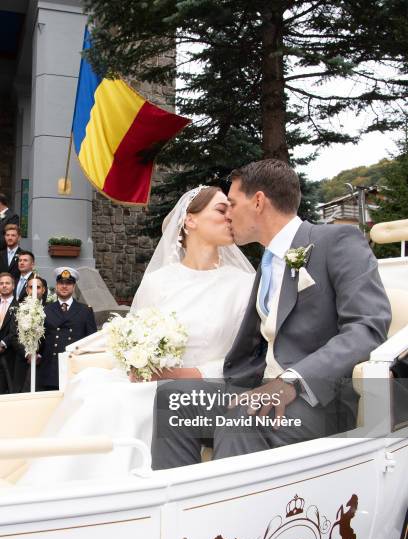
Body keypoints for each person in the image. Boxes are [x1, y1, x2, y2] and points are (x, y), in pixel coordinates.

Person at [151, 158, 392, 469]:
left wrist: (291, 381)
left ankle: (224, 515)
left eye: (233, 204)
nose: (229, 215)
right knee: (175, 400)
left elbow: (367, 327)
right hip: (257, 389)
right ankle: (180, 505)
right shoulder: (266, 263)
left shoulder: (336, 242)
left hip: (316, 401)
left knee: (243, 416)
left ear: (259, 202)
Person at [19, 186, 255, 484]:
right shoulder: (159, 281)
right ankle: (61, 494)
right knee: (94, 390)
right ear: (190, 221)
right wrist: (136, 360)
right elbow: (133, 334)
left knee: (125, 406)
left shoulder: (244, 284)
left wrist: (182, 374)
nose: (230, 217)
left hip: (202, 388)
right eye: (221, 210)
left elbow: (247, 359)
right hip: (148, 379)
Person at [37, 268, 97, 391]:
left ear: (74, 286)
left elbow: (91, 342)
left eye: (68, 283)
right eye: (61, 283)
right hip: (50, 369)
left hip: (75, 368)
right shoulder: (45, 310)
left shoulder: (85, 311)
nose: (64, 286)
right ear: (56, 285)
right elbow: (39, 340)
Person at [12, 277, 48, 393]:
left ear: (43, 290)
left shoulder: (50, 309)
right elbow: (14, 335)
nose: (34, 290)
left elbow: (51, 335)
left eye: (38, 287)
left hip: (43, 363)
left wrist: (40, 355)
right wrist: (27, 353)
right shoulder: (20, 309)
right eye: (31, 287)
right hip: (23, 362)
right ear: (27, 290)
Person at [0, 272, 18, 393]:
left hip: (9, 354)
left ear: (13, 286)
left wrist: (3, 343)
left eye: (7, 283)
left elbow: (16, 330)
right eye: (1, 283)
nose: (4, 286)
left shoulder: (20, 306)